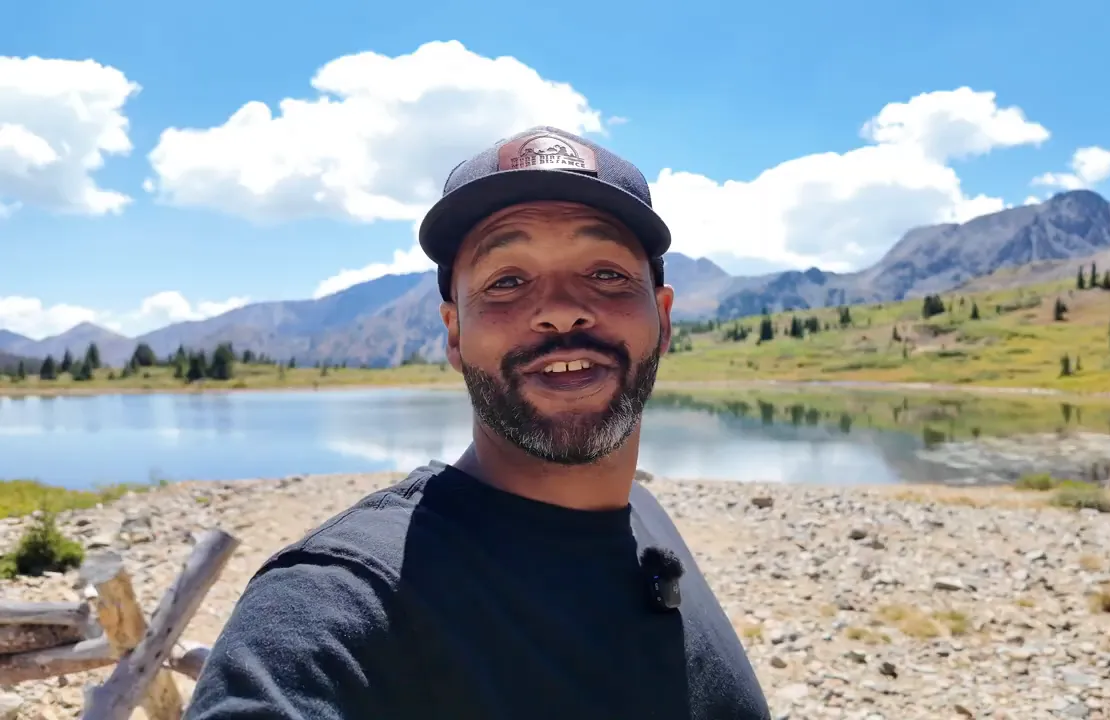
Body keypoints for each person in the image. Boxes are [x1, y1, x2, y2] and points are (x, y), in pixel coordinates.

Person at [184, 126, 771, 719]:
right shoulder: (338, 601)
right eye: (507, 281)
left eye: (606, 274)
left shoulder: (645, 517)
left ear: (663, 320)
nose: (560, 309)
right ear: (455, 333)